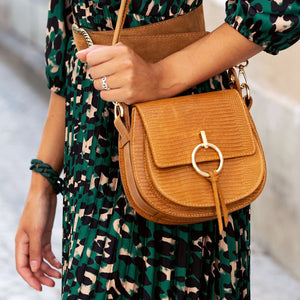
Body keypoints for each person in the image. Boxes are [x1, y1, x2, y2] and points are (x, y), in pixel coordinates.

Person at [15, 0, 299, 299]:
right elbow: (70, 43)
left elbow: (277, 9)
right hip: (90, 150)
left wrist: (161, 77)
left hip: (178, 132)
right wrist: (42, 184)